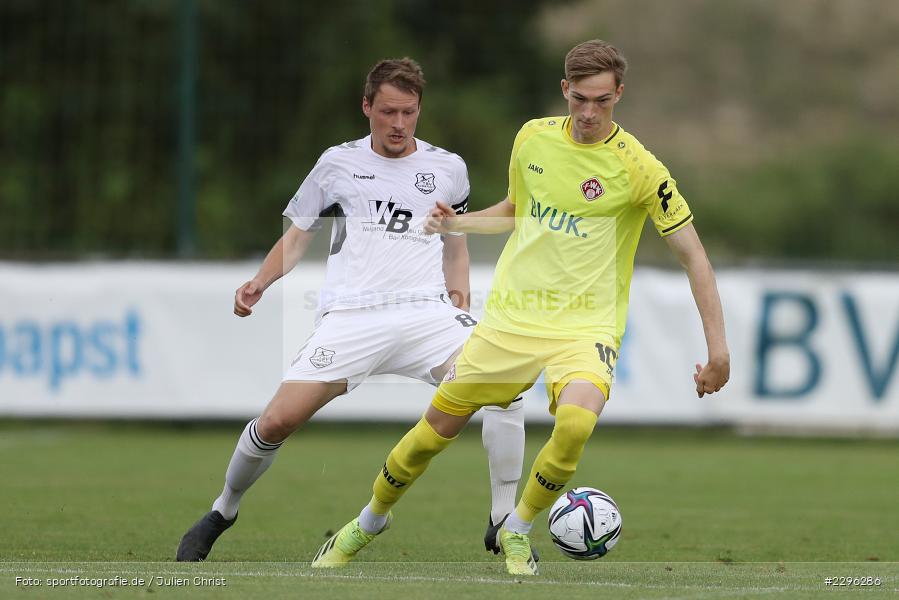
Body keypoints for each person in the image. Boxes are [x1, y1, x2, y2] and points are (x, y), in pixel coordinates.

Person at [312, 40, 730, 576]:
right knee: (433, 431)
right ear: (565, 90)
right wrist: (458, 222)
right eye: (579, 98)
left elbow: (693, 255)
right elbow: (515, 210)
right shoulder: (532, 138)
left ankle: (518, 527)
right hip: (512, 319)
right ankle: (367, 522)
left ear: (619, 94)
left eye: (601, 101)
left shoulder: (641, 169)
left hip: (585, 326)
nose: (587, 112)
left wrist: (718, 350)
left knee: (576, 423)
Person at [176, 58, 529, 562]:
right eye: (388, 111)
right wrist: (260, 280)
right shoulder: (336, 163)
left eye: (408, 112)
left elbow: (456, 240)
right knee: (276, 422)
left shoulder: (448, 168)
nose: (398, 124)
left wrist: (458, 299)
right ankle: (223, 510)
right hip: (351, 317)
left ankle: (501, 519)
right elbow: (297, 237)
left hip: (425, 312)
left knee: (505, 383)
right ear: (367, 107)